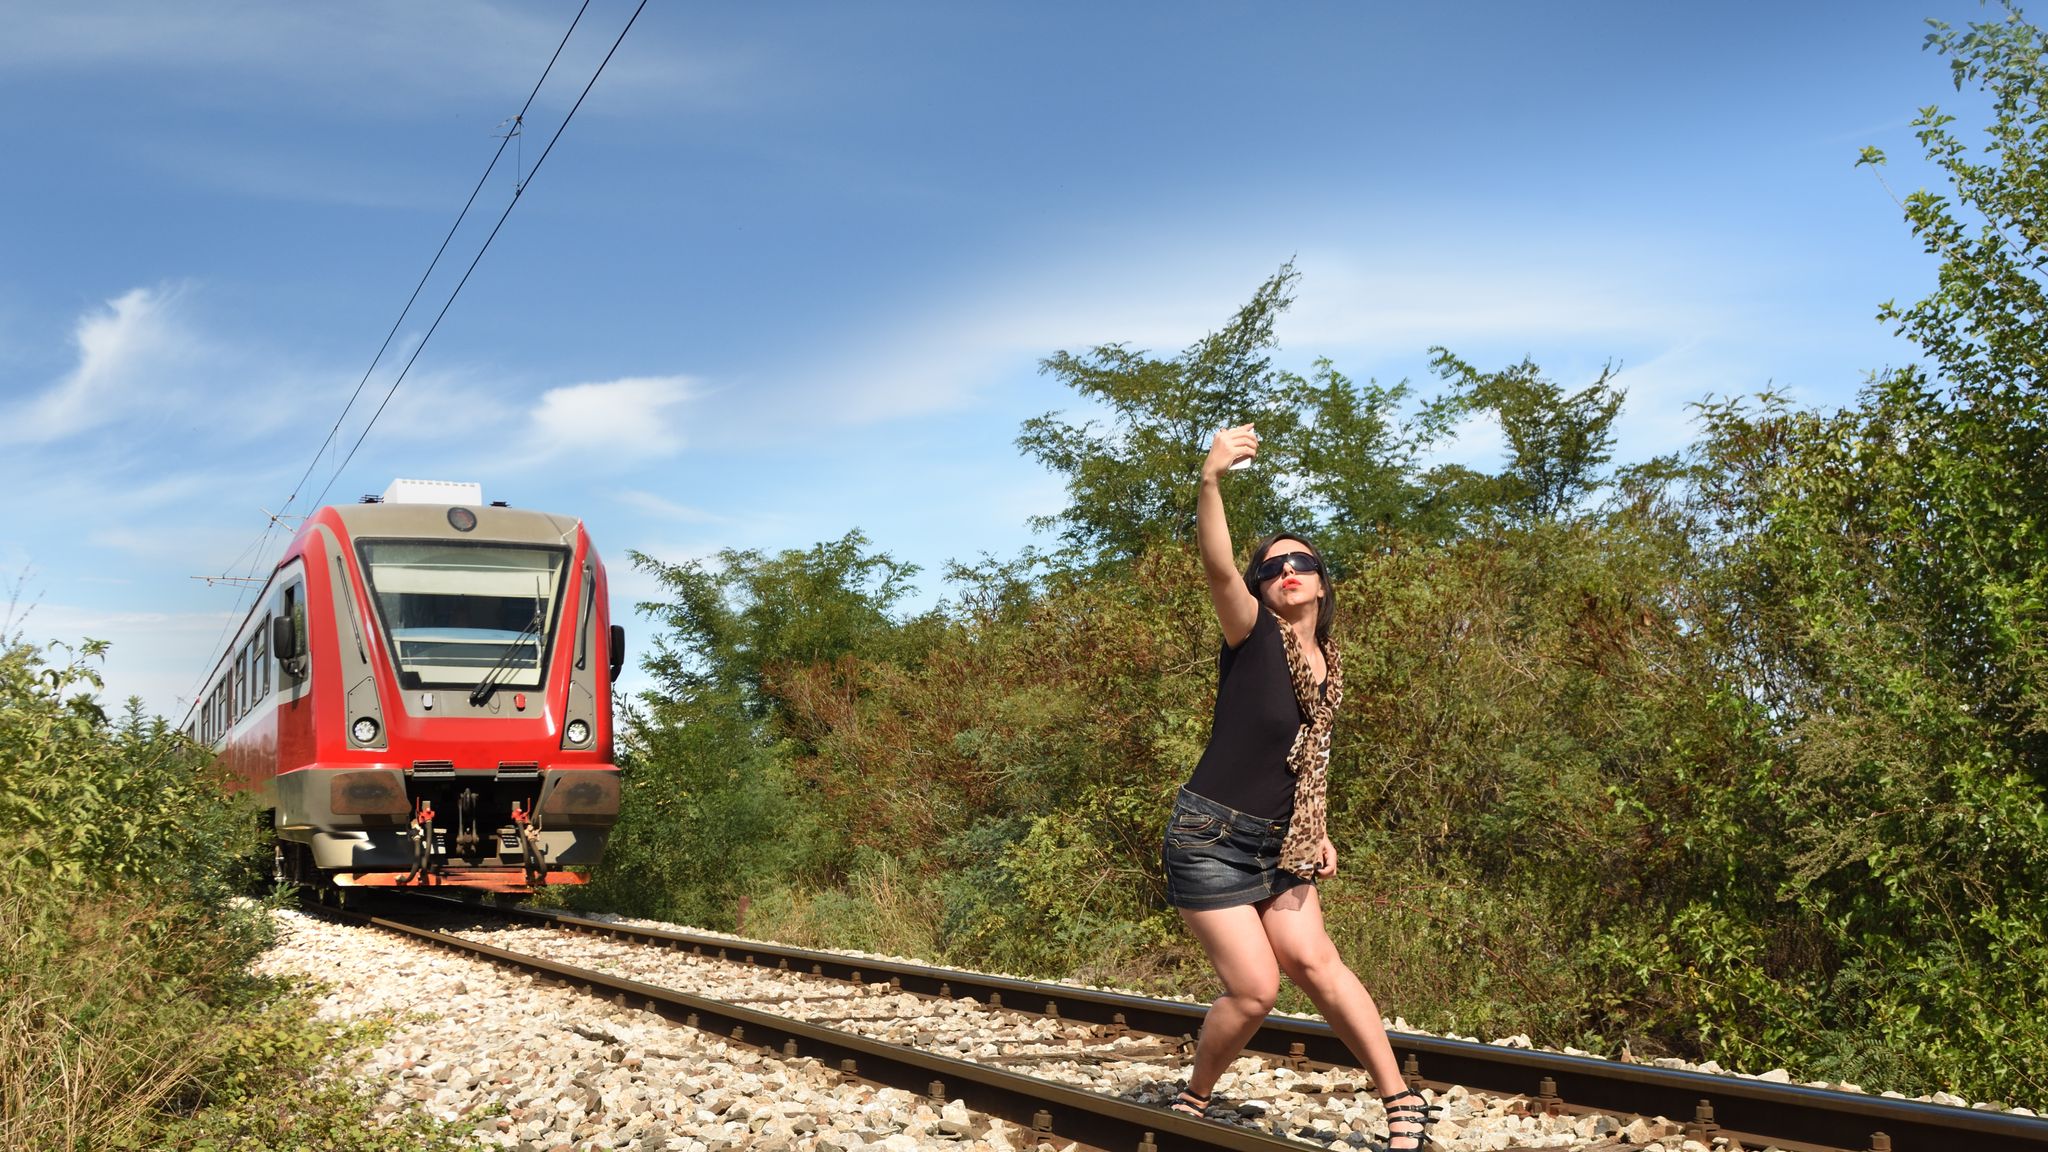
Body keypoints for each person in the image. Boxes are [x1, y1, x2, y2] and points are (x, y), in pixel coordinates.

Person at [1158, 423, 1438, 1151]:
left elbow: (1306, 758)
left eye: (1301, 562)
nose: (1286, 570)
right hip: (1210, 837)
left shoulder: (1330, 662)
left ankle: (1402, 1101)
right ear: (1261, 586)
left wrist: (1318, 829)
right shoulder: (1251, 635)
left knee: (1318, 963)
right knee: (1256, 991)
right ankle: (1194, 1094)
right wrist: (1211, 479)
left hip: (1283, 842)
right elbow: (1219, 567)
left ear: (1320, 581)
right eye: (1272, 565)